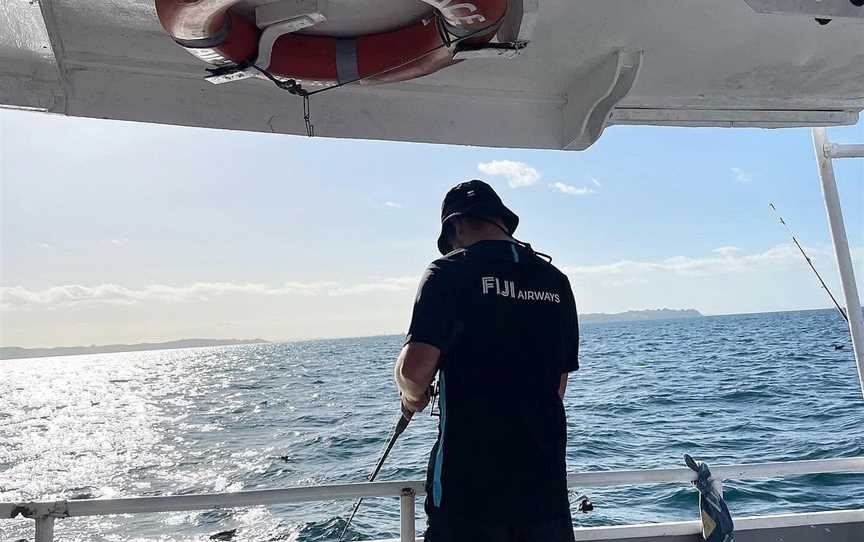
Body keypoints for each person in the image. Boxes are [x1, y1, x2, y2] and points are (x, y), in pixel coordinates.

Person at [394, 179, 580, 542]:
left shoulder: (447, 273)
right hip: (545, 495)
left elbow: (415, 371)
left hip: (469, 500)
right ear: (502, 222)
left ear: (456, 226)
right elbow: (557, 386)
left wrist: (410, 395)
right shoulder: (556, 281)